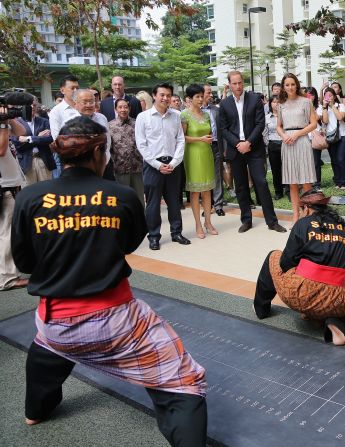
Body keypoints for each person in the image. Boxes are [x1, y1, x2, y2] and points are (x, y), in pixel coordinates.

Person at [10, 116, 208, 445]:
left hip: (55, 322)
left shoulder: (30, 199)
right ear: (100, 151)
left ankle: (36, 410)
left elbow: (25, 261)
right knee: (184, 380)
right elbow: (128, 244)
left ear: (61, 152)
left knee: (45, 350)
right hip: (116, 321)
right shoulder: (122, 196)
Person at [253, 189, 345, 346]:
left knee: (274, 256)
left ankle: (261, 309)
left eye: (299, 210)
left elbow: (285, 263)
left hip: (301, 293)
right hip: (335, 298)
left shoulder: (303, 224)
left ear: (307, 208)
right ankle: (335, 325)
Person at [218, 70, 286, 233]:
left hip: (254, 148)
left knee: (261, 183)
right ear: (229, 84)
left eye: (240, 82)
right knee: (241, 186)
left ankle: (272, 221)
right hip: (236, 150)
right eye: (234, 83)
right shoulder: (225, 104)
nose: (238, 86)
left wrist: (248, 142)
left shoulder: (254, 99)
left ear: (244, 82)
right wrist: (238, 144)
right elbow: (224, 129)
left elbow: (259, 123)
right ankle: (246, 220)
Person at [135, 82, 191, 250]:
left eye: (168, 95)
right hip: (153, 166)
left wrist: (174, 162)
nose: (165, 98)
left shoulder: (176, 115)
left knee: (174, 201)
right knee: (153, 204)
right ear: (154, 95)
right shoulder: (143, 117)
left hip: (173, 165)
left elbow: (180, 140)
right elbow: (141, 145)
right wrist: (158, 165)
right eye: (162, 95)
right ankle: (153, 236)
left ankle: (176, 233)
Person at [277, 73, 318, 222]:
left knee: (306, 181)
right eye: (287, 85)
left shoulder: (306, 102)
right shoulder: (281, 104)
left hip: (302, 142)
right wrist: (284, 136)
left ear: (297, 85)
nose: (290, 87)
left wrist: (297, 134)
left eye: (292, 84)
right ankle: (295, 214)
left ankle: (309, 212)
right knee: (292, 182)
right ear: (283, 87)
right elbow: (279, 126)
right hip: (287, 143)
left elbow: (313, 123)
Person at [181, 84, 218, 240]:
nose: (200, 99)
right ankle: (198, 224)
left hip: (206, 153)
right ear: (190, 98)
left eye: (202, 96)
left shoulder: (207, 115)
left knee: (207, 190)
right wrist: (199, 139)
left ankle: (208, 222)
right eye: (197, 96)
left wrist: (206, 140)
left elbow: (210, 134)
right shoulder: (184, 115)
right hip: (192, 155)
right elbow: (181, 138)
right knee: (195, 192)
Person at [1, 104, 28, 291]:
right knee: (6, 232)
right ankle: (7, 278)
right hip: (4, 186)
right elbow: (1, 149)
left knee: (7, 231)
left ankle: (9, 272)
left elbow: (21, 131)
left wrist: (8, 119)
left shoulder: (4, 122)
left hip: (11, 183)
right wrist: (3, 125)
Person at [11, 97, 55, 185]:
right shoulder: (16, 123)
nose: (32, 107)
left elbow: (50, 138)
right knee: (30, 192)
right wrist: (38, 137)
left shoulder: (44, 121)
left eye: (34, 105)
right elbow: (17, 143)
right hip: (27, 161)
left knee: (46, 191)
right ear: (22, 107)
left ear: (37, 106)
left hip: (43, 159)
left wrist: (29, 138)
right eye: (28, 105)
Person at [108, 98, 144, 207]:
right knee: (122, 199)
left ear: (129, 108)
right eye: (120, 107)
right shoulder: (110, 126)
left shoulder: (137, 123)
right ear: (115, 109)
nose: (123, 109)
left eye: (125, 107)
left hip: (137, 167)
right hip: (120, 168)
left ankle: (141, 222)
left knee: (139, 199)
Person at [318, 87, 345, 189]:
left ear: (334, 96)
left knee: (341, 158)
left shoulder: (340, 105)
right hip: (331, 136)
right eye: (326, 95)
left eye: (330, 95)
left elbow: (340, 117)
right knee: (334, 159)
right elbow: (325, 121)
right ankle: (338, 181)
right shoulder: (322, 107)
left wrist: (333, 106)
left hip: (343, 135)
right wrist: (324, 107)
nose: (329, 97)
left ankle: (344, 182)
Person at [48, 75, 80, 177]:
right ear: (62, 90)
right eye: (72, 88)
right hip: (68, 158)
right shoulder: (56, 112)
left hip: (87, 157)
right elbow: (57, 138)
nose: (75, 91)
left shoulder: (83, 107)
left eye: (77, 88)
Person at [202, 84, 226, 216]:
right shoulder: (193, 112)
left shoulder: (216, 110)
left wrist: (225, 148)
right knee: (204, 177)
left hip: (216, 145)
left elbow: (222, 130)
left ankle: (218, 205)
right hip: (201, 147)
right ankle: (207, 204)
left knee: (217, 176)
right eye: (208, 92)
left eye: (211, 93)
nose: (211, 95)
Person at [265, 96, 285, 199]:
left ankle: (289, 190)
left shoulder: (285, 116)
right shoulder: (267, 117)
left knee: (287, 168)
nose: (276, 104)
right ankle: (278, 191)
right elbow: (265, 133)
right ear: (270, 104)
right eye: (273, 102)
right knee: (275, 170)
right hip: (273, 145)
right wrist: (268, 144)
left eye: (278, 102)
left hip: (285, 144)